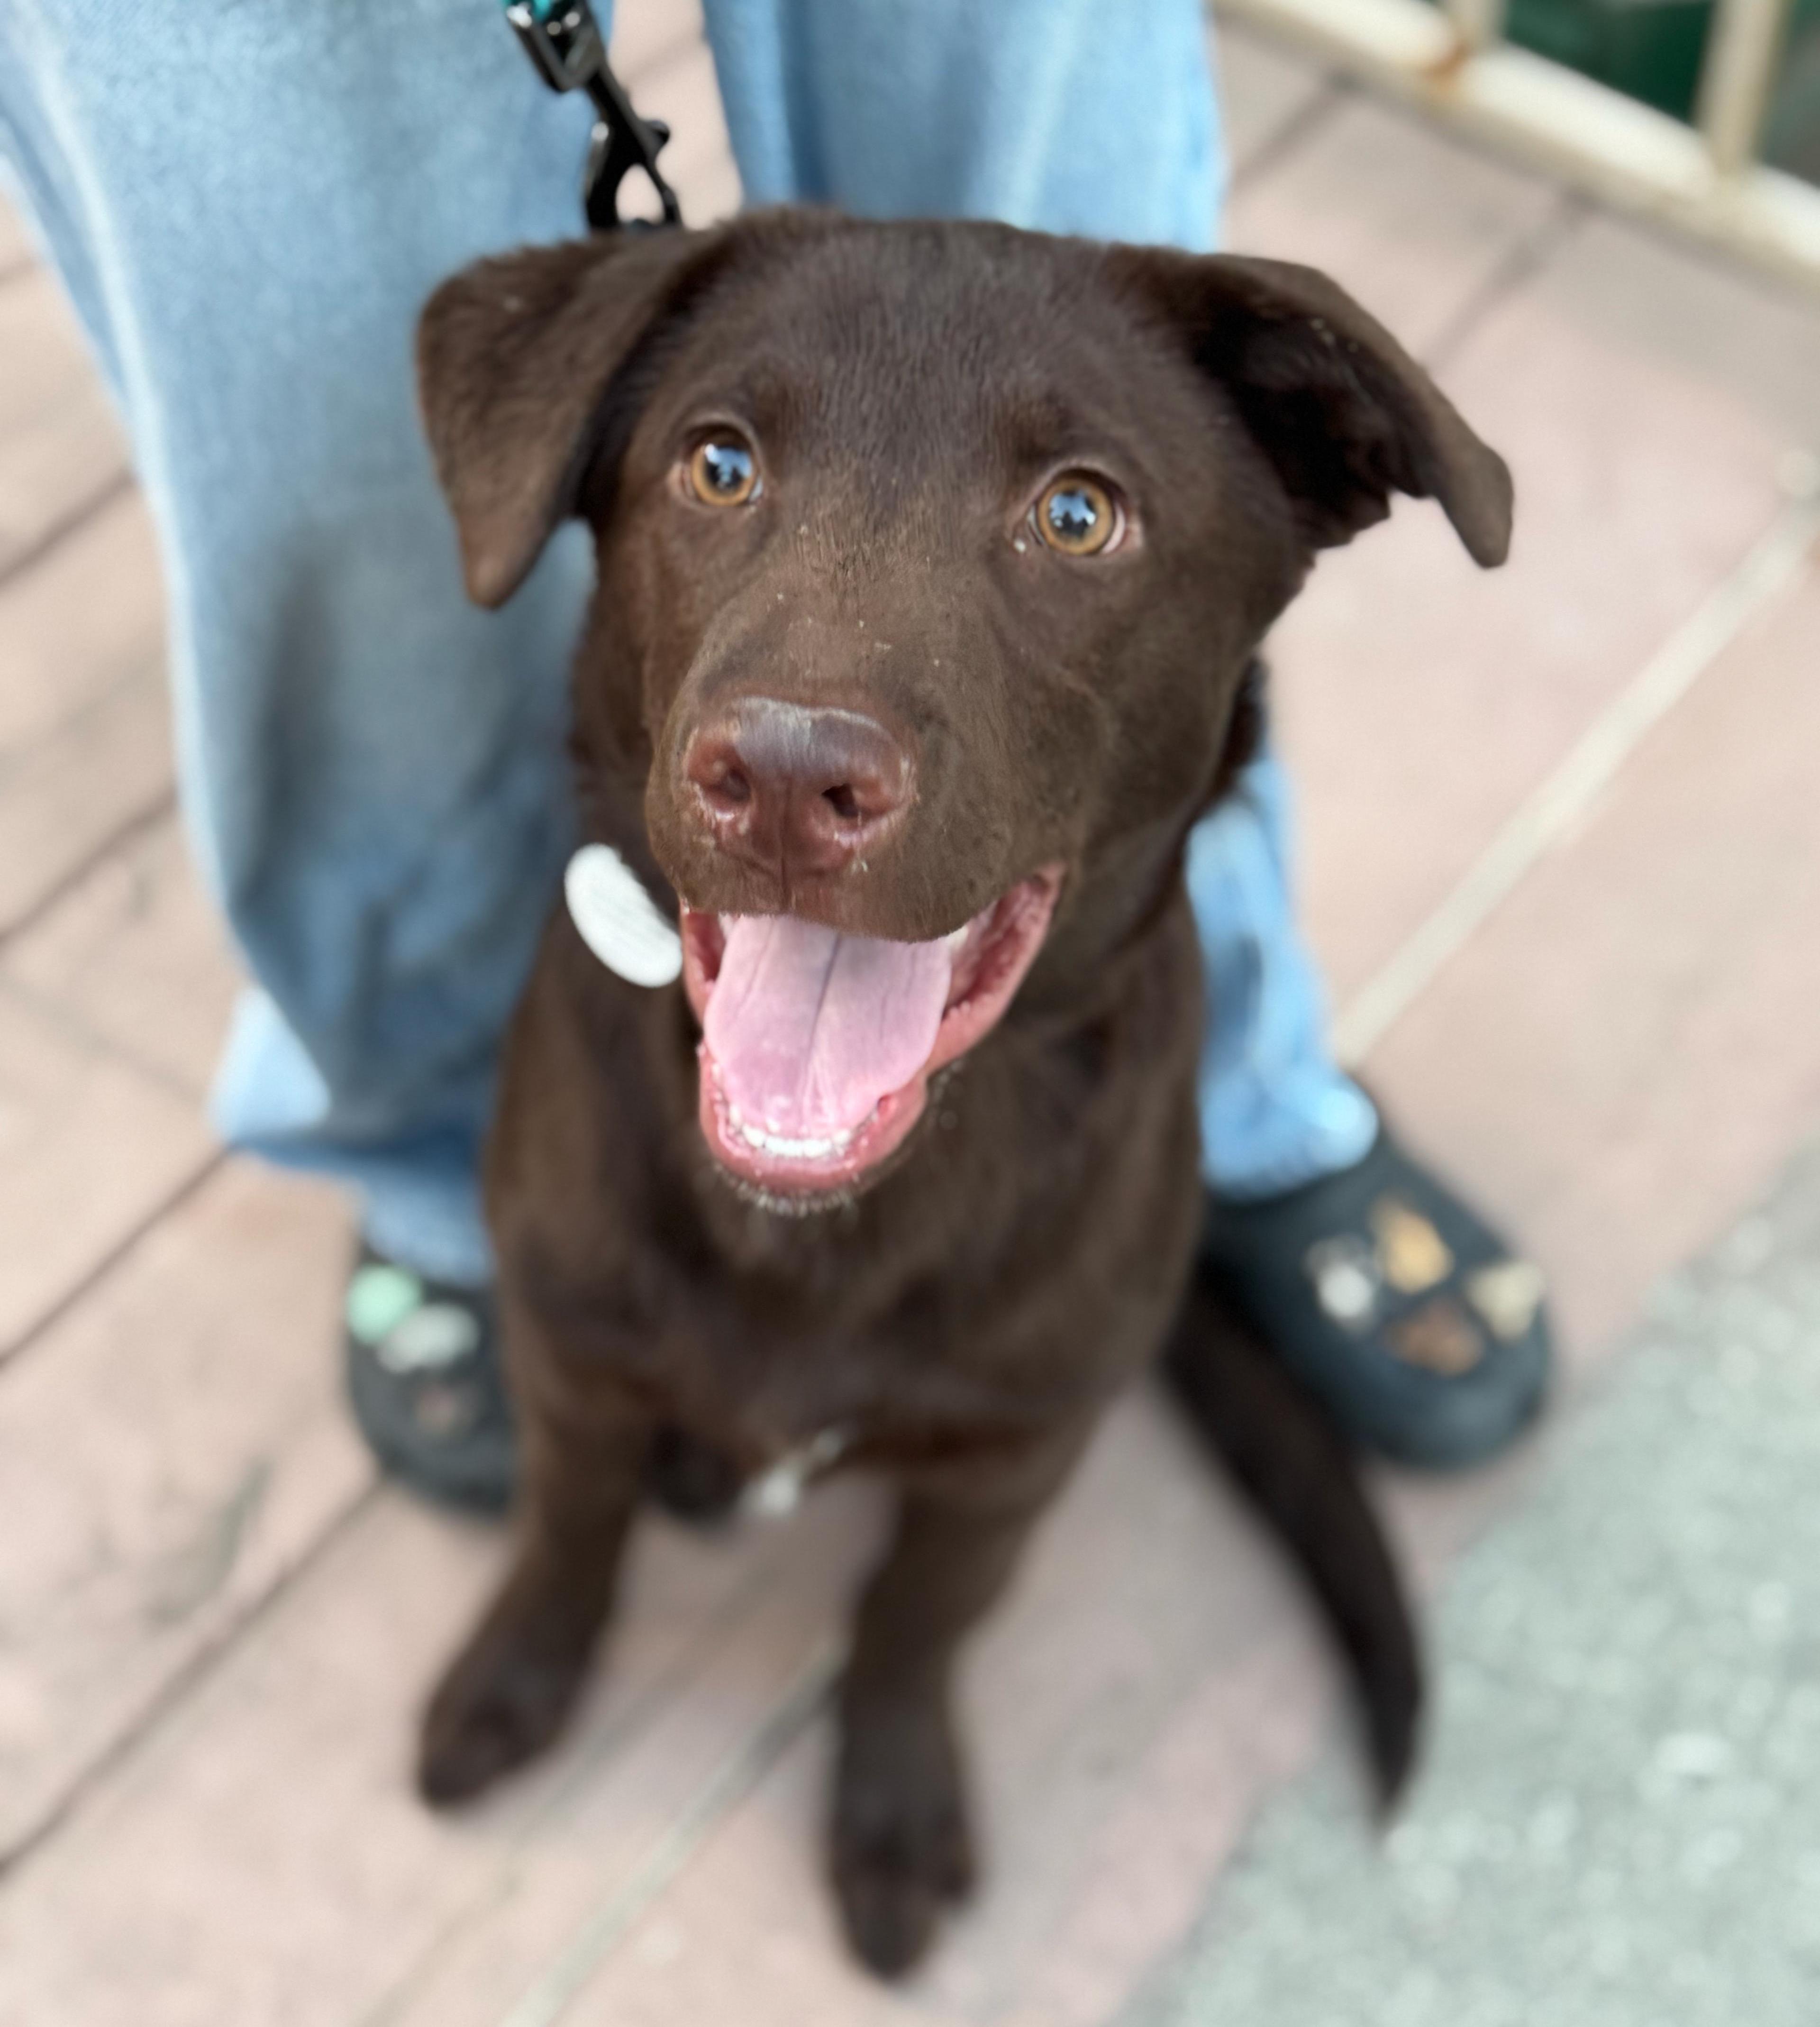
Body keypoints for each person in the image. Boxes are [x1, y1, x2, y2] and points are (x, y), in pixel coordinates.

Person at [0, 0, 1549, 1508]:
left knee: (1038, 159)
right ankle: (435, 1151)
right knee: (326, 472)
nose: (806, 745)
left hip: (1083, 1134)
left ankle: (1249, 1101)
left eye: (1079, 514)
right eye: (721, 460)